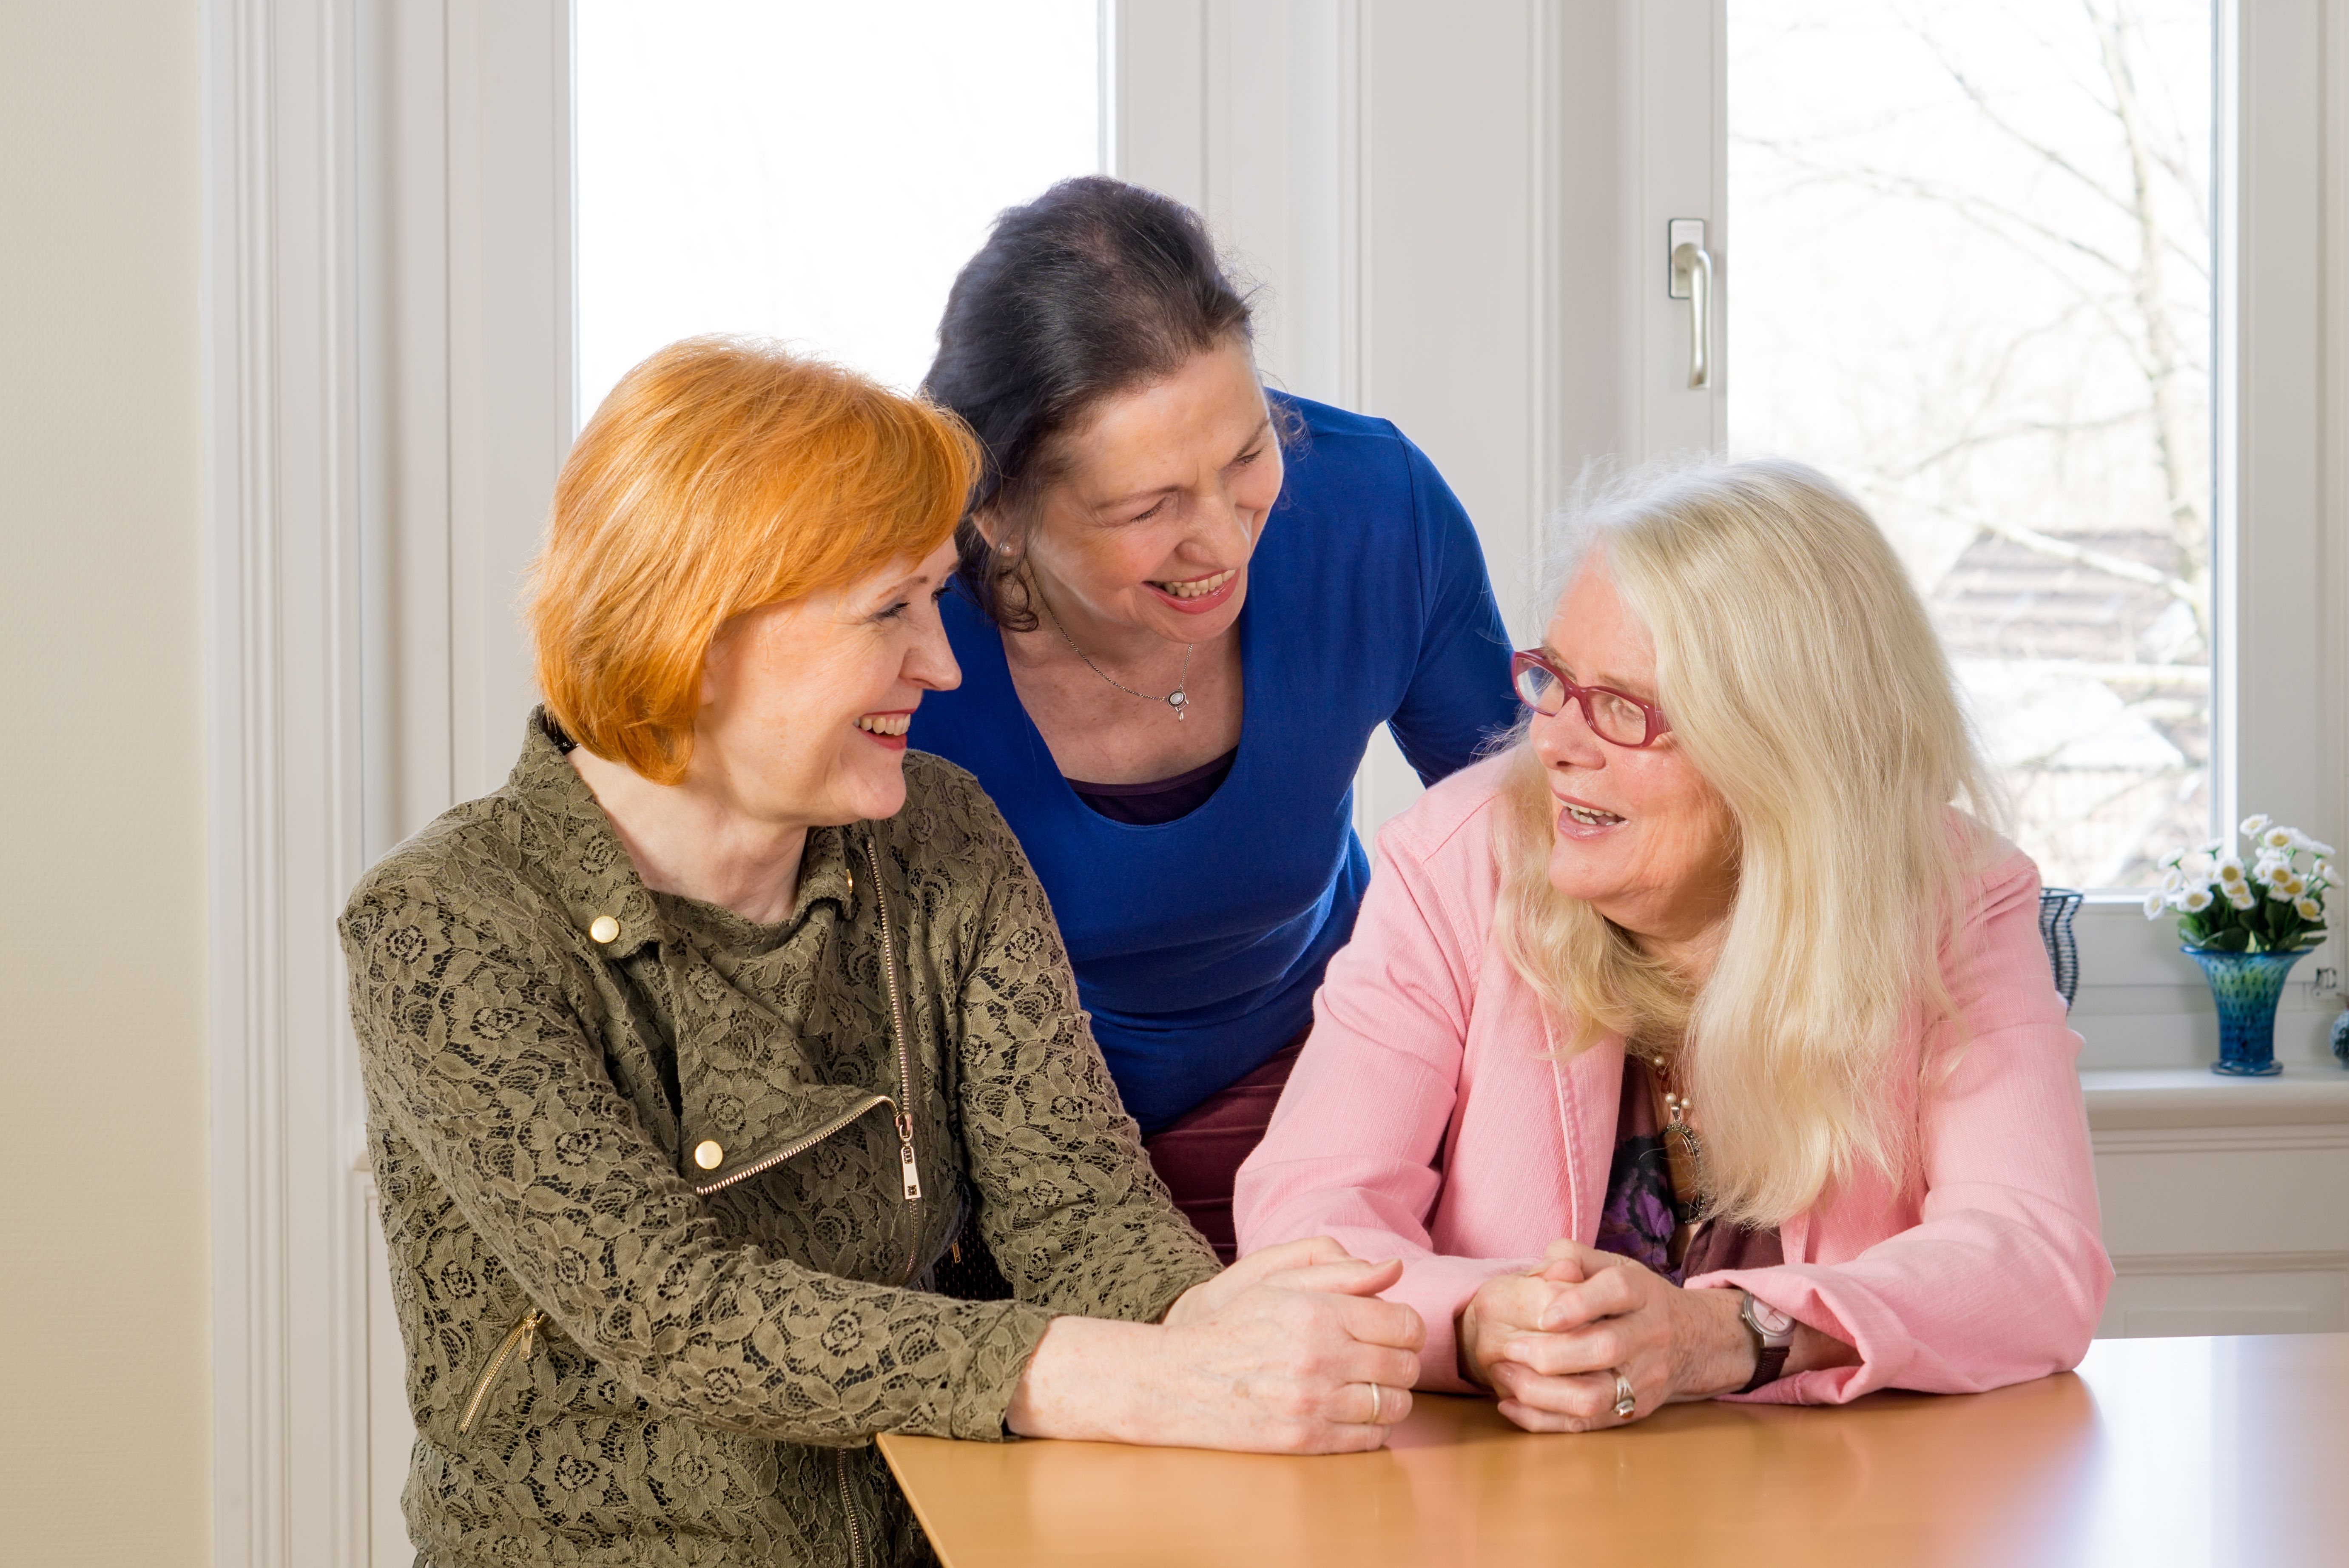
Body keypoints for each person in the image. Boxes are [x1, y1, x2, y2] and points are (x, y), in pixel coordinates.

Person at [339, 339, 1425, 1566]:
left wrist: (1210, 1321)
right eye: (891, 610)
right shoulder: (443, 923)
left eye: (936, 597)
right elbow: (672, 1310)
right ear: (701, 633)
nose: (944, 663)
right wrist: (1125, 1376)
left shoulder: (942, 832)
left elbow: (1073, 1200)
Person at [1234, 458, 2112, 1426]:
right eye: (1552, 681)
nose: (1558, 742)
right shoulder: (1452, 861)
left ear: (1780, 753)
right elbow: (1305, 1216)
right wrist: (1477, 1325)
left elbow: (2032, 1256)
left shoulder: (1956, 897)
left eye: (1622, 707)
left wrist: (1727, 1338)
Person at [908, 178, 1518, 1259]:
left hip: (1327, 1094)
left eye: (1245, 455)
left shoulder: (1373, 510)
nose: (1225, 542)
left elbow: (1530, 834)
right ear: (994, 513)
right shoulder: (900, 631)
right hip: (1000, 1153)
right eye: (1148, 509)